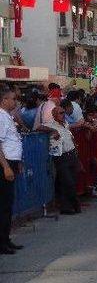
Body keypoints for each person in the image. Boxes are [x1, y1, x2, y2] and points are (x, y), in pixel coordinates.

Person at [40, 106, 81, 215]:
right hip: (61, 157)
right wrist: (53, 130)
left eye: (63, 113)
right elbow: (38, 127)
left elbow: (70, 137)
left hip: (71, 154)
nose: (63, 115)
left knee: (69, 181)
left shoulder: (66, 123)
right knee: (68, 182)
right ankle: (75, 203)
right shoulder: (50, 124)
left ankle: (66, 207)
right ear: (54, 115)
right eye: (61, 113)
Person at [0, 88, 24, 254]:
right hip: (4, 164)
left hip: (12, 162)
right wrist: (6, 166)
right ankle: (2, 243)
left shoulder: (7, 117)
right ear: (4, 100)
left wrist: (18, 162)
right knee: (4, 205)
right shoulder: (1, 117)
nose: (15, 102)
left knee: (8, 205)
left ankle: (6, 239)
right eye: (13, 99)